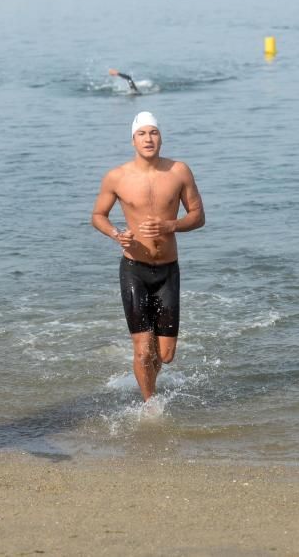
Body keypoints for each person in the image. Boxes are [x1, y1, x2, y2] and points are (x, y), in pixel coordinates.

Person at [91, 111, 205, 402]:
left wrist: (171, 225)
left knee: (164, 355)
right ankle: (150, 404)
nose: (149, 139)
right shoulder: (117, 177)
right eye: (142, 134)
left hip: (168, 270)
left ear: (161, 137)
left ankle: (149, 375)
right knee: (143, 348)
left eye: (153, 133)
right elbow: (98, 216)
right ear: (133, 140)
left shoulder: (179, 171)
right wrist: (117, 234)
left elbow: (198, 216)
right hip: (134, 269)